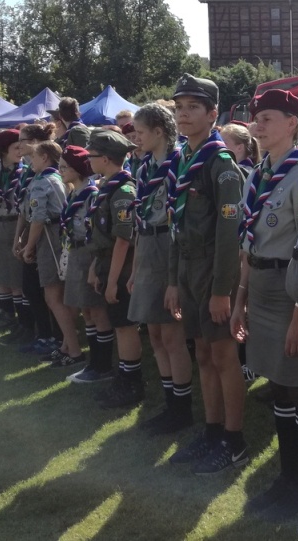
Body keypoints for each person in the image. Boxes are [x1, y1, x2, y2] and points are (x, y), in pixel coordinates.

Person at [230, 89, 298, 519]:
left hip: (293, 291)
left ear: (292, 124)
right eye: (256, 119)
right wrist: (241, 300)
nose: (258, 126)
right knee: (280, 391)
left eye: (267, 118)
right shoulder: (259, 174)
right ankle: (287, 479)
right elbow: (249, 245)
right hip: (263, 288)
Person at [164, 74, 248, 475]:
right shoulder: (183, 158)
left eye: (193, 107)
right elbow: (175, 227)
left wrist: (221, 292)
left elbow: (229, 234)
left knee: (223, 355)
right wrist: (172, 281)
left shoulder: (221, 164)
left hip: (215, 274)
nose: (183, 113)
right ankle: (212, 430)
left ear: (213, 114)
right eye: (179, 107)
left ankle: (234, 440)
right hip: (188, 273)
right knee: (202, 355)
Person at [129, 103, 196, 433]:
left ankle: (181, 410)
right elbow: (141, 219)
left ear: (159, 132)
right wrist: (135, 267)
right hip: (147, 246)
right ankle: (171, 401)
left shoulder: (178, 166)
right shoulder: (144, 168)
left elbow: (178, 224)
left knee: (171, 334)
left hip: (168, 249)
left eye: (140, 132)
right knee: (154, 332)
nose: (136, 138)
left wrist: (173, 277)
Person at [83, 130, 145, 405]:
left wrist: (112, 280)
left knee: (124, 325)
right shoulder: (107, 186)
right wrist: (97, 266)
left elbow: (123, 240)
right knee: (119, 323)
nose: (89, 160)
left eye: (92, 156)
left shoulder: (123, 191)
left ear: (106, 159)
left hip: (121, 268)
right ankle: (123, 376)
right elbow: (102, 235)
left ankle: (131, 384)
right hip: (108, 263)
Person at [20, 141, 83, 367]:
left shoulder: (43, 182)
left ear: (45, 157)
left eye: (34, 157)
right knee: (60, 296)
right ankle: (66, 344)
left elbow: (38, 218)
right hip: (60, 234)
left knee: (53, 296)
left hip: (50, 237)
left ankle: (74, 350)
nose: (31, 162)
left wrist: (28, 246)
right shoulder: (56, 178)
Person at [58, 145, 114, 382]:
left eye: (64, 167)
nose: (60, 170)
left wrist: (94, 264)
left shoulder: (91, 194)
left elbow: (97, 229)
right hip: (77, 252)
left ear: (77, 169)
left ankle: (103, 365)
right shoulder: (73, 192)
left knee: (97, 311)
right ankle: (94, 364)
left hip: (90, 254)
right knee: (86, 311)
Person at [10, 123, 61, 354]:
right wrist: (18, 237)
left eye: (22, 139)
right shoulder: (29, 170)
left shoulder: (43, 173)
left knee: (46, 290)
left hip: (46, 237)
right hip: (32, 231)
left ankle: (54, 337)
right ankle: (42, 333)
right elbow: (24, 208)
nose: (19, 144)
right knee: (31, 287)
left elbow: (39, 213)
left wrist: (28, 244)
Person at [0, 130, 26, 333]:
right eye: (15, 148)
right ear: (2, 151)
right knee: (0, 274)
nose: (20, 151)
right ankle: (5, 312)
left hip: (17, 224)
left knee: (16, 277)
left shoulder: (24, 172)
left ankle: (21, 320)